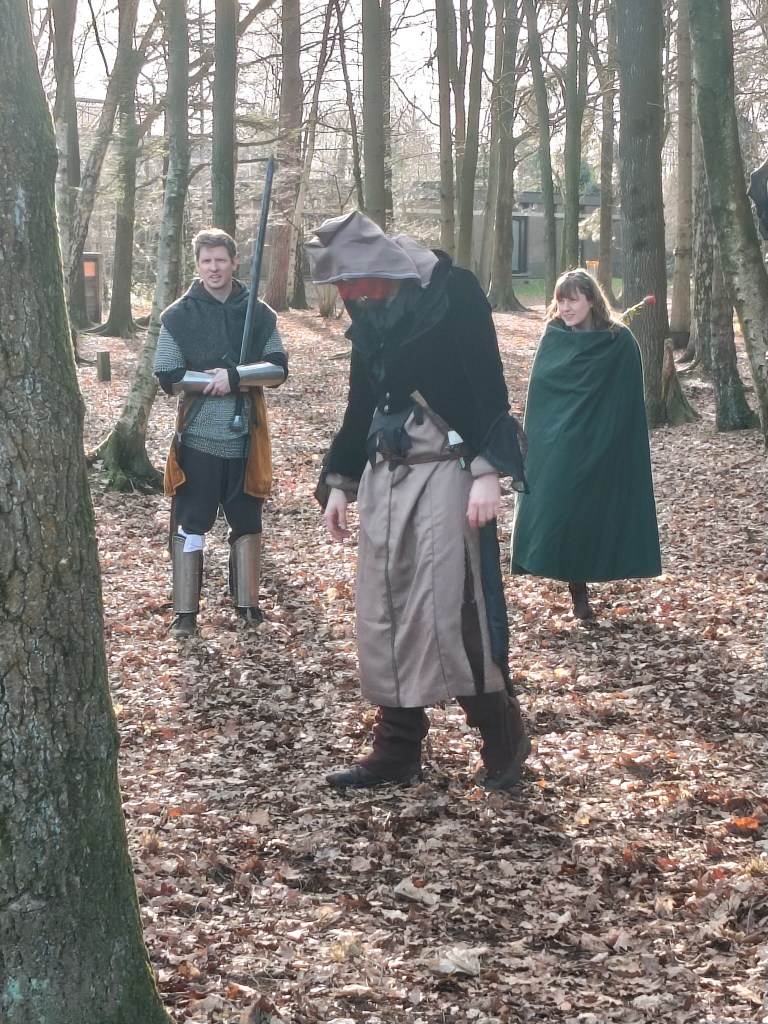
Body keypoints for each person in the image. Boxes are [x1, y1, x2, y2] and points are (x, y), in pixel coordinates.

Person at [306, 210, 530, 791]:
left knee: (455, 604)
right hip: (385, 475)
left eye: (352, 281)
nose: (348, 295)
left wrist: (488, 472)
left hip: (449, 468)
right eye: (340, 285)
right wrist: (340, 481)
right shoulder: (369, 308)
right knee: (383, 608)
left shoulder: (453, 292)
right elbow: (361, 401)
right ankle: (398, 748)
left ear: (376, 264)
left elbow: (488, 386)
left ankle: (500, 731)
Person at [154, 228, 288, 637]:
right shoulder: (179, 315)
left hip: (247, 436)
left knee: (246, 521)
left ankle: (247, 604)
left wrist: (237, 376)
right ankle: (185, 613)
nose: (214, 268)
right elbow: (168, 373)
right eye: (206, 261)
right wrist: (211, 381)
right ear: (197, 264)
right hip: (198, 436)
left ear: (234, 262)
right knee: (191, 523)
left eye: (221, 260)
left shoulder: (258, 312)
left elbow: (278, 368)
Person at [511, 268, 661, 619]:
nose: (565, 308)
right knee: (562, 510)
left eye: (573, 300)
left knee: (593, 513)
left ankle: (587, 584)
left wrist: (610, 439)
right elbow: (543, 397)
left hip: (603, 441)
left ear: (591, 300)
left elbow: (626, 400)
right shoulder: (554, 338)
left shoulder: (619, 341)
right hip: (560, 443)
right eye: (560, 300)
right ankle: (576, 590)